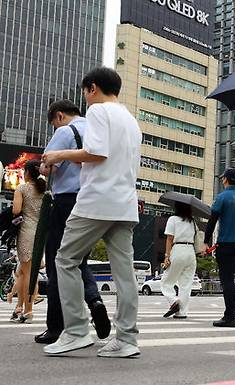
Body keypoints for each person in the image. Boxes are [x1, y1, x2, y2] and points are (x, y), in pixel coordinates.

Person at [42, 67, 142, 358]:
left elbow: (97, 153)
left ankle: (75, 331)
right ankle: (126, 338)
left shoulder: (98, 112)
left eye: (86, 92)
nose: (86, 98)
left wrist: (59, 154)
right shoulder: (131, 120)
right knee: (125, 274)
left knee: (65, 259)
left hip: (97, 201)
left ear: (92, 88)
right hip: (124, 204)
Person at [34, 100, 110, 344]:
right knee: (78, 261)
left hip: (66, 200)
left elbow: (47, 166)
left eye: (53, 124)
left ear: (58, 116)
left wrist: (48, 166)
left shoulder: (66, 131)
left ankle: (56, 326)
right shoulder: (96, 128)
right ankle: (94, 299)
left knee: (59, 261)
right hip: (92, 201)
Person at [204, 168, 235, 327]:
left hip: (225, 244)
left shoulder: (222, 197)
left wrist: (206, 241)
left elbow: (212, 220)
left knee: (227, 279)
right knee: (230, 277)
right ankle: (233, 309)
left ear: (225, 179)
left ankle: (230, 314)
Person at [10, 160, 45, 323]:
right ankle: (23, 309)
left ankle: (28, 311)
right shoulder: (44, 190)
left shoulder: (22, 189)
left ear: (27, 173)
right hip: (40, 234)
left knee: (27, 273)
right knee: (28, 273)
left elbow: (16, 210)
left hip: (26, 232)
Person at [162, 202, 198, 319]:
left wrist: (167, 256)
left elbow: (169, 238)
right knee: (186, 285)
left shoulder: (173, 219)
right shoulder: (192, 222)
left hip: (178, 249)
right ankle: (182, 312)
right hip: (191, 252)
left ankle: (174, 302)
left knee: (166, 282)